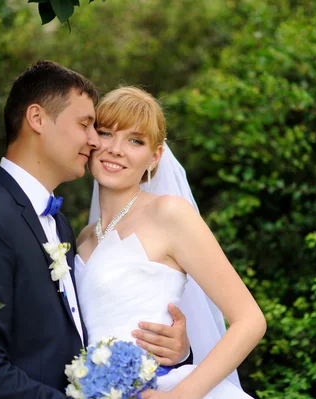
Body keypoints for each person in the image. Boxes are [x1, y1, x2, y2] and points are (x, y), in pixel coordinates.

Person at [0, 61, 190, 399]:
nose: (94, 141)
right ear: (37, 118)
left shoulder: (60, 225)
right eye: (86, 125)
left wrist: (175, 352)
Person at [75, 87, 267, 398]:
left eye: (135, 140)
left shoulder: (169, 213)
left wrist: (179, 396)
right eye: (107, 133)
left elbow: (250, 320)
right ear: (91, 141)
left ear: (155, 157)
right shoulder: (83, 238)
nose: (116, 149)